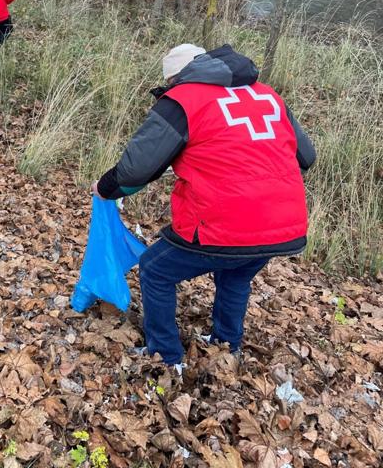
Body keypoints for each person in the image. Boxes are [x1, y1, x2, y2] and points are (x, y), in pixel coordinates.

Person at [91, 43, 316, 374]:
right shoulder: (268, 95)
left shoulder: (182, 101)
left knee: (155, 270)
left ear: (175, 78)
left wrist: (106, 188)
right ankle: (226, 346)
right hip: (283, 225)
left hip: (225, 223)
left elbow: (137, 169)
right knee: (236, 273)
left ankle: (166, 357)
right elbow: (306, 158)